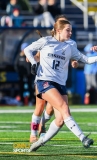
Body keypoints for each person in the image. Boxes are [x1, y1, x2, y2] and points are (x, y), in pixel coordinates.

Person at [24, 19, 97, 152]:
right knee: (55, 108)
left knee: (60, 120)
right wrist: (34, 64)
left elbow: (85, 59)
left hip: (60, 84)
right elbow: (27, 50)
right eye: (67, 30)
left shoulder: (70, 46)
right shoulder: (46, 41)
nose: (70, 33)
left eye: (71, 30)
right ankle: (82, 138)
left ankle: (39, 142)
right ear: (58, 30)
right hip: (44, 81)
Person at [28, 15, 79, 143]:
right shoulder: (48, 41)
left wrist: (74, 62)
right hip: (44, 77)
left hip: (59, 80)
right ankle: (33, 134)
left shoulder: (71, 43)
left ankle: (43, 124)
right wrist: (32, 58)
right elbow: (37, 57)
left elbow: (74, 56)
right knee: (40, 107)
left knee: (50, 109)